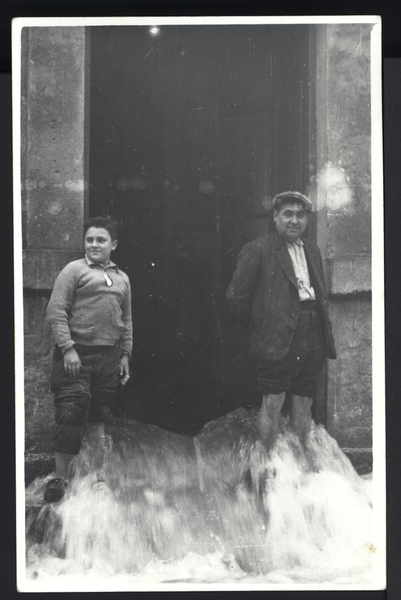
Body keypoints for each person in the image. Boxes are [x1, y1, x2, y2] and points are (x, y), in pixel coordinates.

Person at [226, 191, 336, 453]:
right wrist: (260, 330)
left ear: (306, 220)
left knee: (304, 398)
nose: (294, 220)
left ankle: (298, 461)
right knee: (273, 399)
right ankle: (268, 464)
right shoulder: (258, 249)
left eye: (300, 215)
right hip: (276, 336)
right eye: (288, 214)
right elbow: (236, 299)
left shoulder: (312, 250)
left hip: (313, 333)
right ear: (275, 217)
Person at [44, 216, 133, 502]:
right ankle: (60, 479)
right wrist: (68, 349)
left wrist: (125, 354)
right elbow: (56, 311)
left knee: (99, 418)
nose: (94, 244)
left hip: (109, 358)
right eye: (89, 240)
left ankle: (98, 479)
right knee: (70, 414)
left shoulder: (122, 278)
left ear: (113, 244)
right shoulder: (74, 270)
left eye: (101, 240)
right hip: (77, 356)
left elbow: (126, 320)